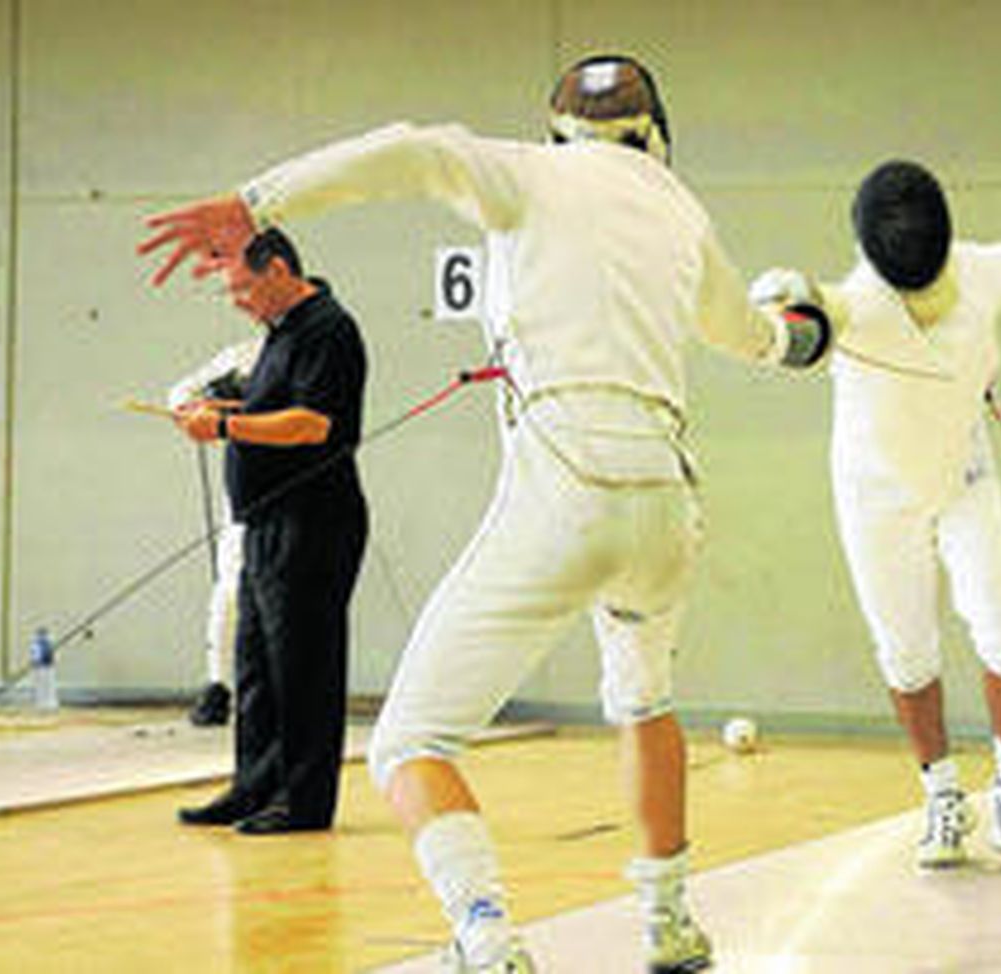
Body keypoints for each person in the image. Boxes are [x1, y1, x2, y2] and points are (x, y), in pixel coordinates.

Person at [139, 54, 836, 974]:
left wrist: (257, 201)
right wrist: (807, 332)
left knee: (411, 743)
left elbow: (410, 150)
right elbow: (758, 338)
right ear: (656, 134)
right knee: (644, 699)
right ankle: (669, 924)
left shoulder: (527, 171)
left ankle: (487, 938)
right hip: (665, 504)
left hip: (565, 492)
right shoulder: (679, 209)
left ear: (559, 129)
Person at [752, 159, 1001, 870]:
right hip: (874, 497)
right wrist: (775, 315)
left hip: (964, 475)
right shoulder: (851, 304)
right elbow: (802, 333)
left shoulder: (976, 270)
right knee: (905, 651)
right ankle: (943, 797)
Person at [167, 228, 368, 836]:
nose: (238, 302)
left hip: (313, 523)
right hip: (265, 522)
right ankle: (254, 787)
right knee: (256, 665)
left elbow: (312, 424)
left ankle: (303, 802)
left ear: (278, 269)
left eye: (243, 289)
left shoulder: (328, 329)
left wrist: (225, 430)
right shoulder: (280, 334)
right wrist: (224, 410)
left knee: (303, 666)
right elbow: (272, 408)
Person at [166, 336, 263, 726]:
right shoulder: (243, 355)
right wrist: (210, 401)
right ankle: (218, 685)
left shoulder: (317, 352)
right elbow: (180, 395)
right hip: (246, 491)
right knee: (231, 588)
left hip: (303, 494)